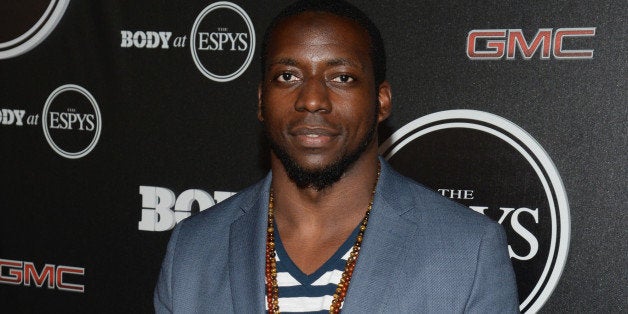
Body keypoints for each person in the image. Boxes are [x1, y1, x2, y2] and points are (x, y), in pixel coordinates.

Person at [154, 0, 519, 313]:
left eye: (342, 77)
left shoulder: (466, 252)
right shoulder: (193, 249)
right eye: (287, 76)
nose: (312, 99)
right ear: (261, 101)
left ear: (382, 101)